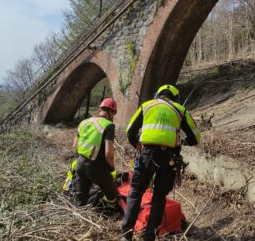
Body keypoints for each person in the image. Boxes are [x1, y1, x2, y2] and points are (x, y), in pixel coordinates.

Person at [121, 84, 201, 241]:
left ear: (158, 94)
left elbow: (130, 130)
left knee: (135, 194)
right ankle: (149, 236)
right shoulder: (180, 110)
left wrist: (137, 144)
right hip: (169, 158)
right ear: (176, 97)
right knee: (158, 198)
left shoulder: (146, 105)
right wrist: (181, 141)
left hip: (146, 155)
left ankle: (126, 235)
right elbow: (196, 138)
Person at [72, 98, 118, 208]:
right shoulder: (108, 125)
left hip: (79, 164)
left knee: (80, 200)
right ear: (111, 112)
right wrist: (111, 167)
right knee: (112, 193)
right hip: (95, 167)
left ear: (100, 109)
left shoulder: (84, 122)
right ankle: (110, 211)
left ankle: (81, 216)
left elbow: (75, 146)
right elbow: (108, 153)